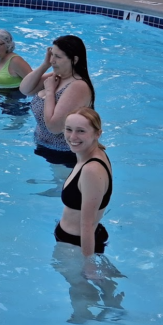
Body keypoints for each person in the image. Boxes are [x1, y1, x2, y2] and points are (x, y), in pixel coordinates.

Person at [18, 35, 95, 166]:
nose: (53, 60)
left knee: (61, 186)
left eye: (58, 57)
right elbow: (25, 89)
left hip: (65, 155)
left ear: (74, 60)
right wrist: (45, 65)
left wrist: (49, 92)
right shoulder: (56, 77)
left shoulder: (78, 86)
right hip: (45, 146)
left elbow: (54, 127)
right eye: (52, 55)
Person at [56, 108, 113, 258]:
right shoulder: (91, 154)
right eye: (69, 129)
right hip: (77, 241)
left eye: (81, 131)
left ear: (97, 134)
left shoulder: (91, 169)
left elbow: (86, 225)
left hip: (76, 246)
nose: (72, 137)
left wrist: (88, 265)